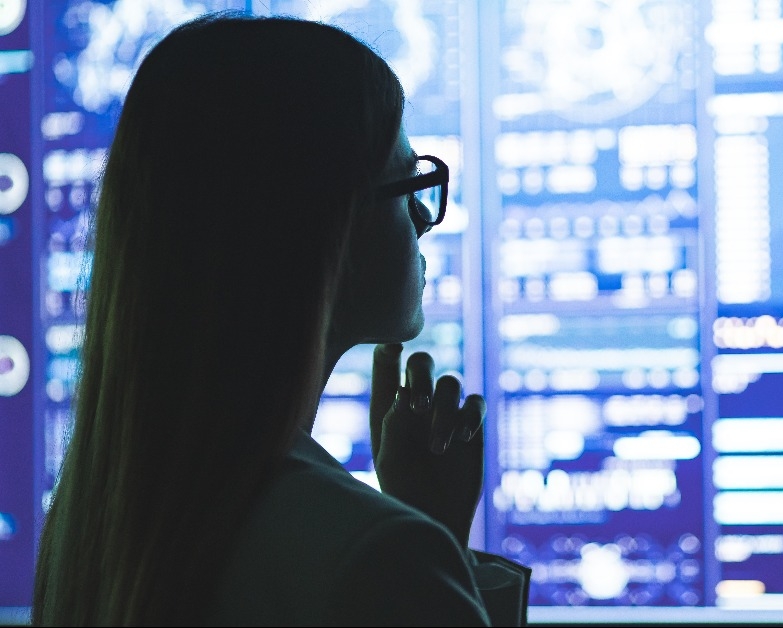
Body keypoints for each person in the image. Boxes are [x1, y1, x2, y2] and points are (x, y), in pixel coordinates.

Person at [32, 12, 529, 626]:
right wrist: (424, 549)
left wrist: (431, 533)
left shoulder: (93, 517)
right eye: (409, 184)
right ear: (330, 229)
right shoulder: (375, 557)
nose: (425, 219)